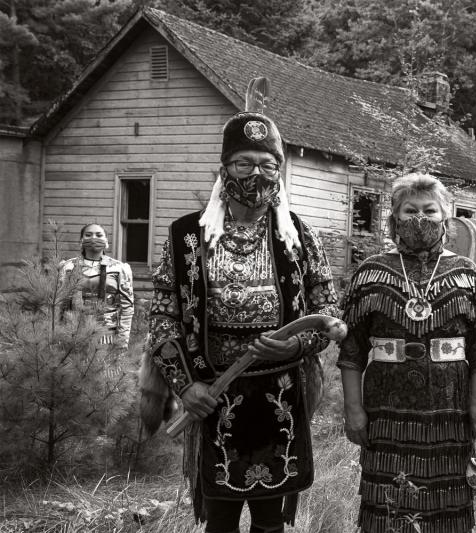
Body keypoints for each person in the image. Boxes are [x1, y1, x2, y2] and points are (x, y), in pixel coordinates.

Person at [142, 109, 339, 533]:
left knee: (270, 519)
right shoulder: (186, 237)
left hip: (281, 394)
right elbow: (162, 319)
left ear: (280, 172)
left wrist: (296, 346)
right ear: (224, 170)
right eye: (244, 163)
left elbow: (328, 313)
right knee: (220, 518)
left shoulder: (300, 236)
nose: (257, 174)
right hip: (212, 392)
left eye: (268, 165)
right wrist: (186, 386)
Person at [338, 173, 476, 533]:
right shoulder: (371, 272)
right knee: (386, 501)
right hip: (385, 408)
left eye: (430, 210)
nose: (420, 218)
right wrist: (352, 408)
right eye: (411, 210)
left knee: (448, 502)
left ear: (445, 218)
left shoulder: (466, 272)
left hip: (450, 408)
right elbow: (352, 349)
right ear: (395, 217)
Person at [60, 223, 134, 349]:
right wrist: (58, 336)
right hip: (73, 333)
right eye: (88, 235)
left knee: (104, 361)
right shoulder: (68, 267)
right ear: (81, 241)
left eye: (99, 235)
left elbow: (127, 307)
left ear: (106, 241)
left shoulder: (120, 268)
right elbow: (59, 304)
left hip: (107, 333)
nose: (93, 238)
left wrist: (122, 342)